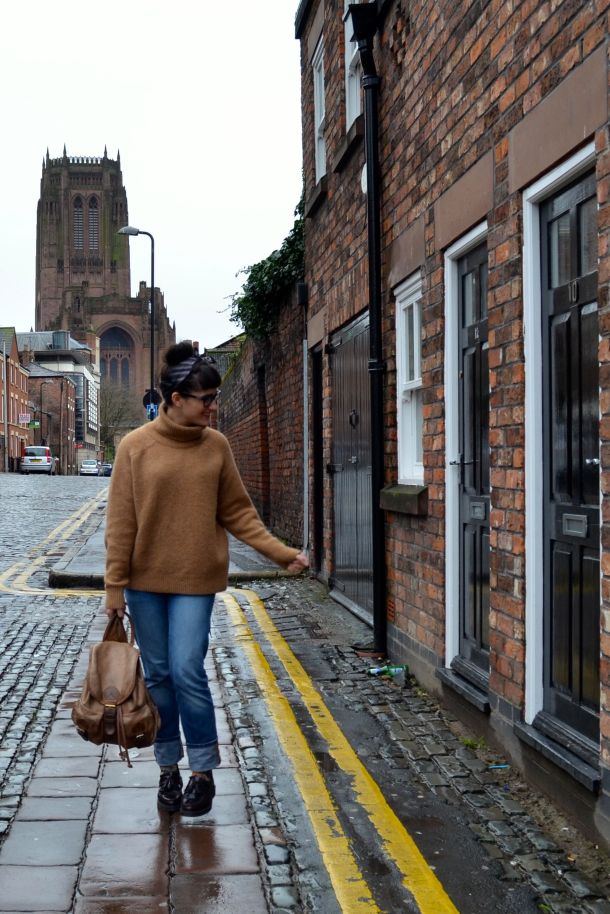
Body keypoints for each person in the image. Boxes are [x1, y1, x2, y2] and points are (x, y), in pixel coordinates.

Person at [104, 341, 309, 816]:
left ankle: (201, 772)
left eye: (215, 399)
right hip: (144, 582)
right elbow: (120, 523)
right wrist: (114, 589)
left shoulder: (216, 447)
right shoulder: (135, 447)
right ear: (177, 398)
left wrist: (281, 554)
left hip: (196, 580)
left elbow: (238, 512)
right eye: (207, 400)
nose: (213, 408)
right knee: (157, 677)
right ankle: (168, 769)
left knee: (186, 671)